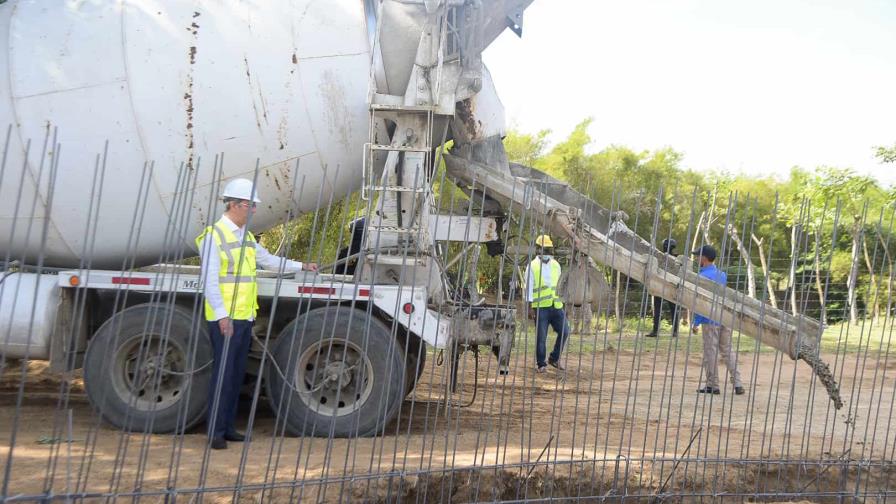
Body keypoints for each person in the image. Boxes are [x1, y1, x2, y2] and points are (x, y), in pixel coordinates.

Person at [196, 178, 318, 450]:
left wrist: (302, 266)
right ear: (235, 205)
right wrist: (221, 316)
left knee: (236, 374)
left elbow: (269, 261)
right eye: (250, 205)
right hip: (225, 319)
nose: (253, 211)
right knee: (223, 374)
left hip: (243, 317)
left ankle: (228, 428)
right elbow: (210, 281)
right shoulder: (213, 237)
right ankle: (215, 432)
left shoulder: (245, 237)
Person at [691, 244, 744, 396]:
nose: (696, 258)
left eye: (698, 256)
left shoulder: (701, 277)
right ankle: (738, 383)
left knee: (710, 351)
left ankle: (712, 385)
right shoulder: (722, 275)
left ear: (704, 258)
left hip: (709, 318)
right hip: (725, 317)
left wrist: (696, 322)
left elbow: (700, 301)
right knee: (727, 350)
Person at [525, 234, 570, 373]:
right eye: (544, 249)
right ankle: (541, 364)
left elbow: (561, 285)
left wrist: (564, 304)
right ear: (538, 249)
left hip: (556, 306)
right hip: (540, 308)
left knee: (565, 331)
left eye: (548, 249)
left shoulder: (556, 265)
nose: (547, 252)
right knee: (541, 338)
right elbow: (528, 287)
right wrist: (529, 308)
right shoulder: (532, 266)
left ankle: (554, 358)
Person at [646, 238, 681, 338]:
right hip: (666, 286)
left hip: (665, 286)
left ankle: (657, 330)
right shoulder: (674, 258)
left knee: (661, 308)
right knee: (671, 309)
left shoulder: (662, 257)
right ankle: (672, 331)